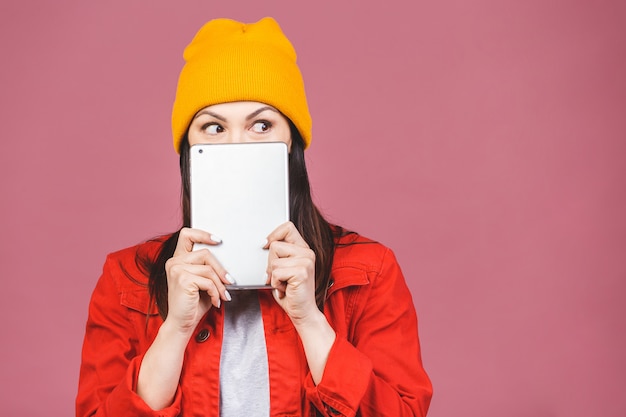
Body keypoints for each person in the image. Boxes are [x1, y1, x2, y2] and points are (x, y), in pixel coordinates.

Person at [76, 17, 432, 417]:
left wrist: (310, 321)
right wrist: (174, 330)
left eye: (261, 125)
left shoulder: (370, 270)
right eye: (213, 127)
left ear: (291, 144)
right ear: (188, 152)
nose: (237, 147)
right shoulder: (126, 278)